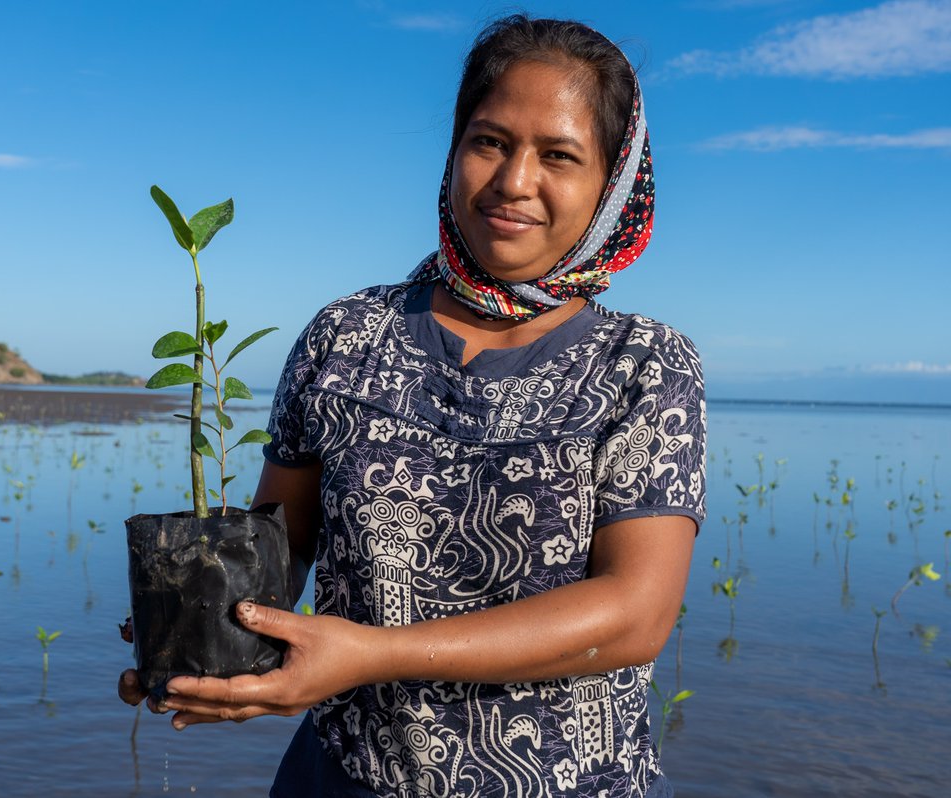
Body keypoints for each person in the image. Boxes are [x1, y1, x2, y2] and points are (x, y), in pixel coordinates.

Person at [120, 15, 705, 798]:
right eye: (490, 141)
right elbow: (282, 542)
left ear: (613, 184)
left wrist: (371, 652)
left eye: (559, 155)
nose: (513, 181)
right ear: (455, 148)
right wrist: (210, 620)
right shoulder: (347, 334)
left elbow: (636, 614)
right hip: (343, 774)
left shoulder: (645, 365)